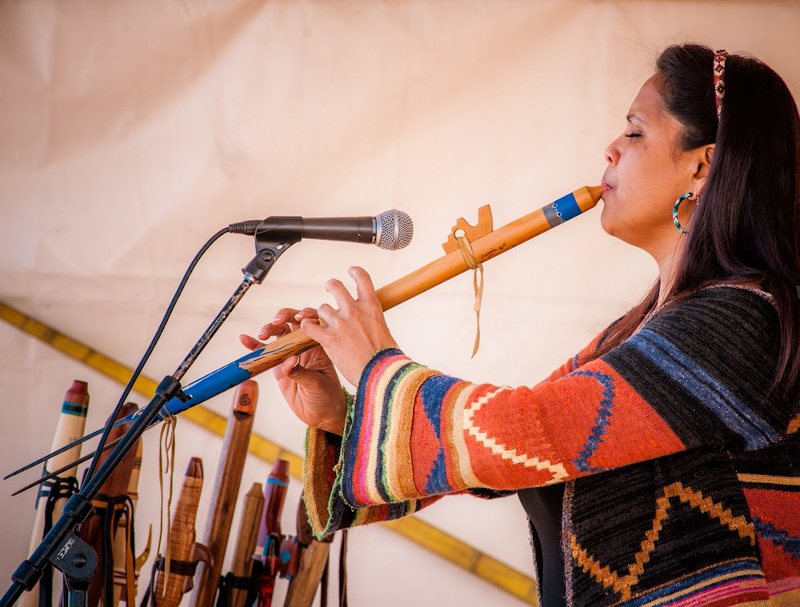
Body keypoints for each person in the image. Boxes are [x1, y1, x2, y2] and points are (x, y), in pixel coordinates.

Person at [240, 43, 800, 606]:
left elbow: (530, 432)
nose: (608, 150)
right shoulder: (638, 333)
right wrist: (344, 412)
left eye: (633, 133)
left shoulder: (740, 321)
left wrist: (377, 369)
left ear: (701, 167)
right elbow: (511, 456)